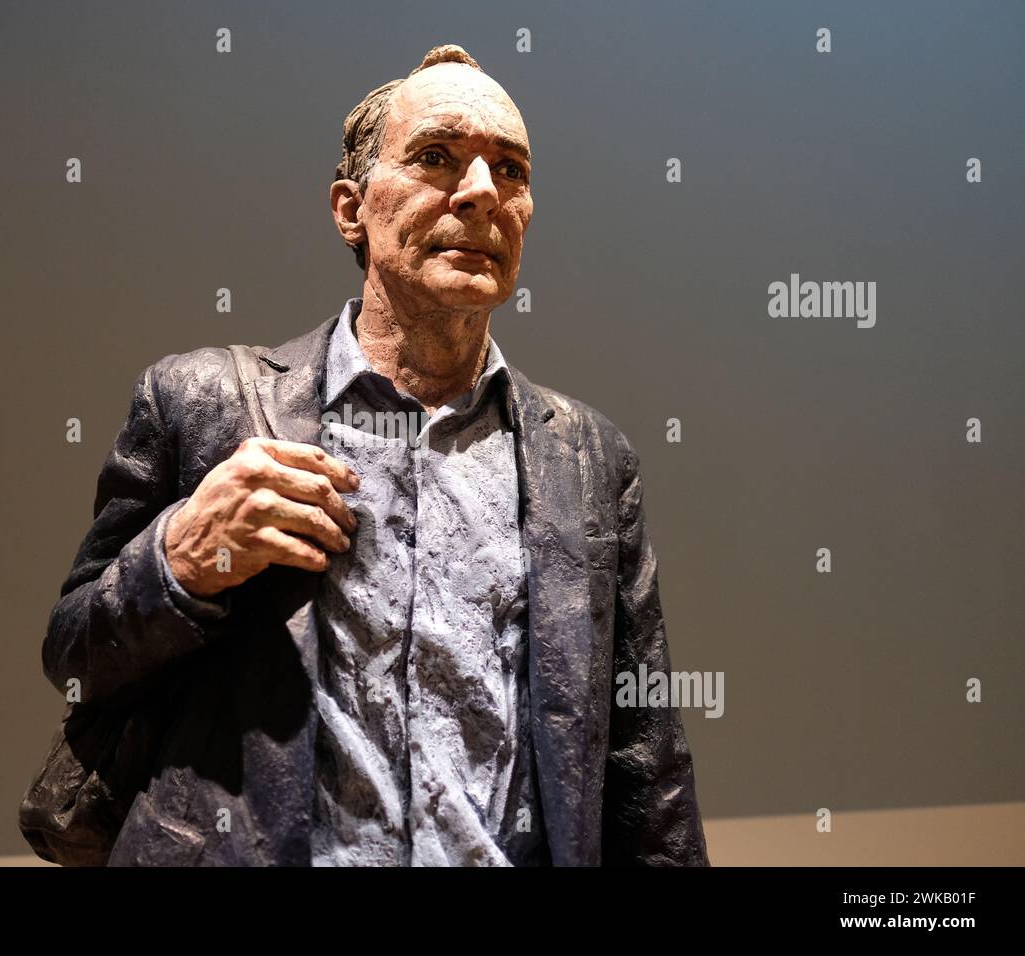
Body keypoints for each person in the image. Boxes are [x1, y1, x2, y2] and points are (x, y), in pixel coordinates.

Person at [41, 43, 709, 866]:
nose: (480, 193)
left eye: (510, 170)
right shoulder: (203, 401)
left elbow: (648, 766)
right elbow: (73, 653)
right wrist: (182, 556)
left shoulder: (589, 460)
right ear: (350, 209)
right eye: (436, 158)